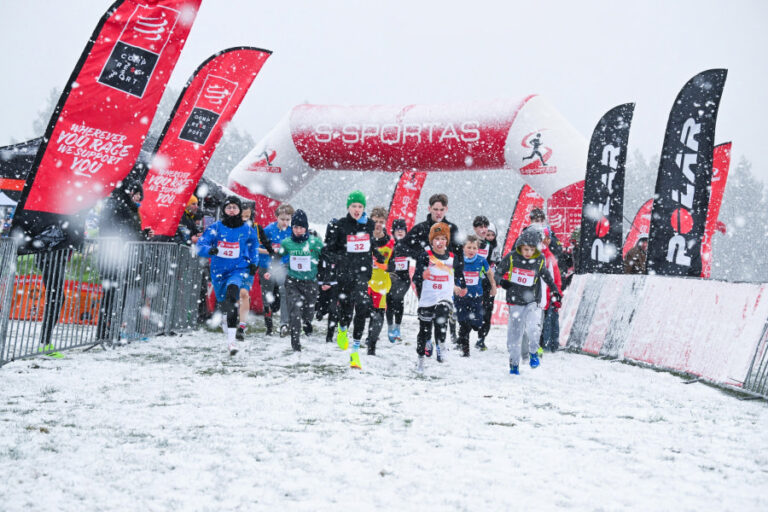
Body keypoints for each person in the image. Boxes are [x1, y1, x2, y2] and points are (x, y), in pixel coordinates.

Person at [196, 196, 264, 355]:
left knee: (233, 297)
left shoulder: (247, 229)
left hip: (238, 269)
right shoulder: (216, 227)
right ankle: (227, 322)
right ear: (224, 210)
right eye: (229, 208)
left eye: (235, 207)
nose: (232, 210)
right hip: (219, 271)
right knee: (223, 301)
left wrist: (254, 262)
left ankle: (232, 342)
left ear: (240, 210)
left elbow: (254, 245)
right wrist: (209, 250)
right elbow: (200, 245)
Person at [323, 190, 384, 369]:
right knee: (347, 309)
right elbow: (328, 250)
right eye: (354, 206)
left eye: (360, 206)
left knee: (363, 305)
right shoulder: (340, 225)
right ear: (348, 207)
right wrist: (340, 259)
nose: (357, 210)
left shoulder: (369, 224)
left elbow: (369, 242)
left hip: (363, 273)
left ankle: (355, 352)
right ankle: (342, 329)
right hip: (344, 274)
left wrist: (377, 253)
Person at [494, 228, 560, 375]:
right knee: (514, 336)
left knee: (533, 329)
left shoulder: (539, 259)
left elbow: (547, 276)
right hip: (515, 301)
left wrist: (555, 290)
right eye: (525, 249)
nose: (528, 253)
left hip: (532, 301)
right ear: (520, 247)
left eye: (531, 249)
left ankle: (533, 353)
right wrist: (502, 282)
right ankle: (514, 365)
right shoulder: (511, 257)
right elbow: (498, 272)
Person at [96, 180, 154, 343]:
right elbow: (124, 232)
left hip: (116, 256)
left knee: (113, 296)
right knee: (112, 296)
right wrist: (141, 236)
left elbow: (127, 231)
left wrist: (141, 235)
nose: (138, 199)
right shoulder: (119, 205)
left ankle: (108, 331)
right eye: (137, 195)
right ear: (130, 192)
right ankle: (106, 332)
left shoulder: (118, 204)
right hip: (114, 257)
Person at [412, 222, 467, 373]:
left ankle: (440, 346)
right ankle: (421, 360)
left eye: (443, 238)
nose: (440, 242)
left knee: (441, 315)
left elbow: (459, 274)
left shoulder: (452, 258)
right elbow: (416, 276)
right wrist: (422, 275)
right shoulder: (425, 256)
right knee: (424, 331)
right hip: (428, 298)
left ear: (447, 241)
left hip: (445, 296)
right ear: (431, 241)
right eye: (436, 239)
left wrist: (462, 286)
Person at [279, 209, 323, 352]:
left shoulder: (314, 242)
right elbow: (278, 256)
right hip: (293, 281)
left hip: (310, 282)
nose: (298, 230)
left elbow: (326, 256)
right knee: (295, 311)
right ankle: (295, 343)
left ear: (306, 228)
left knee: (308, 312)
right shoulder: (286, 243)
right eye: (295, 227)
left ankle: (307, 322)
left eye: (301, 227)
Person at [455, 234, 495, 357]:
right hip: (461, 297)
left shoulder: (481, 260)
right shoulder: (458, 260)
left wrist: (493, 286)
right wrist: (454, 286)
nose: (471, 250)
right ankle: (464, 349)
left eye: (474, 248)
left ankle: (462, 337)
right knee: (464, 322)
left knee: (477, 324)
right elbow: (450, 274)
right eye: (469, 247)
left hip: (476, 296)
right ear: (463, 248)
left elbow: (489, 273)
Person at [365, 207, 395, 355]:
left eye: (381, 222)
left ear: (385, 223)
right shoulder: (363, 237)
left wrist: (384, 265)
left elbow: (394, 266)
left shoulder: (390, 243)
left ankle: (371, 343)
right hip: (364, 281)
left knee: (377, 315)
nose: (377, 224)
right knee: (362, 311)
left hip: (381, 283)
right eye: (375, 221)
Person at [261, 204, 294, 336]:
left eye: (288, 219)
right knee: (267, 296)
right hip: (267, 265)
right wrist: (271, 251)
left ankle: (284, 324)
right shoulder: (269, 230)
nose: (285, 222)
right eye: (282, 219)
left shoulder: (292, 232)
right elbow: (257, 248)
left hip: (283, 266)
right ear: (276, 217)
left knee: (284, 290)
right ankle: (269, 325)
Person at [471, 215, 497, 351]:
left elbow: (493, 265)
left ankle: (481, 339)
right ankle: (461, 337)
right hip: (471, 282)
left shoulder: (490, 247)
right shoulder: (468, 242)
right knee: (468, 311)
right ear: (475, 228)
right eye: (480, 227)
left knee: (487, 311)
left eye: (485, 227)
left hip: (485, 283)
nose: (483, 230)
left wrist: (494, 284)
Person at [539, 227, 563, 353]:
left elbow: (556, 277)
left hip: (548, 295)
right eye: (543, 238)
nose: (545, 241)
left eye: (547, 238)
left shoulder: (550, 256)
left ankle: (550, 345)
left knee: (550, 320)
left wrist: (557, 292)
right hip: (537, 296)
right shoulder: (532, 253)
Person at [386, 218, 410, 343]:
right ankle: (390, 327)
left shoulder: (409, 245)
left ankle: (398, 328)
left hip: (404, 279)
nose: (400, 232)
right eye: (397, 230)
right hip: (390, 278)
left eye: (402, 230)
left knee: (398, 299)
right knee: (389, 302)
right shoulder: (389, 245)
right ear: (393, 231)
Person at [316, 221, 340, 344]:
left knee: (333, 309)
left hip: (335, 284)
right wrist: (322, 281)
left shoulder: (342, 249)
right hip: (322, 283)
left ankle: (329, 337)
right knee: (321, 309)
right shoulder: (323, 249)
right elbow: (320, 265)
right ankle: (319, 312)